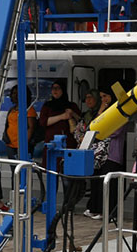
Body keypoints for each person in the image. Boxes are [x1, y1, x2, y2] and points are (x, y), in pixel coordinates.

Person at [84, 89, 126, 219]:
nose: (103, 100)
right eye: (101, 97)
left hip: (112, 153)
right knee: (98, 182)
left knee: (110, 184)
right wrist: (101, 112)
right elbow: (94, 126)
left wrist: (103, 127)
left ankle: (108, 212)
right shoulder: (104, 112)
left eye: (105, 96)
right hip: (100, 154)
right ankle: (96, 208)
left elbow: (114, 132)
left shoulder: (120, 112)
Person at [38, 79, 81, 156]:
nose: (55, 90)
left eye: (58, 88)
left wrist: (72, 113)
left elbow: (81, 121)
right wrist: (62, 116)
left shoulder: (72, 105)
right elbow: (43, 122)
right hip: (51, 143)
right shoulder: (47, 106)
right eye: (53, 88)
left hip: (68, 143)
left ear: (63, 90)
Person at [5, 85, 37, 162]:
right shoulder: (12, 110)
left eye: (18, 93)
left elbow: (31, 127)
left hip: (23, 146)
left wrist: (23, 143)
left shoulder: (29, 109)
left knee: (22, 169)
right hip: (10, 145)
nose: (16, 95)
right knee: (13, 169)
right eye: (14, 93)